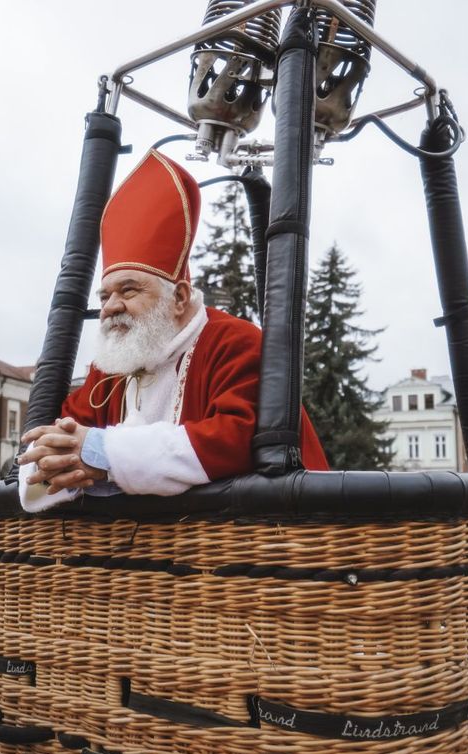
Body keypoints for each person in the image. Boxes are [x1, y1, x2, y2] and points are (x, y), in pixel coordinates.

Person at [18, 149, 328, 511]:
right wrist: (56, 462)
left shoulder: (235, 343)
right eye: (104, 296)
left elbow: (237, 440)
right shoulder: (111, 368)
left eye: (128, 290)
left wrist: (101, 454)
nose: (110, 307)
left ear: (179, 297)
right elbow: (58, 444)